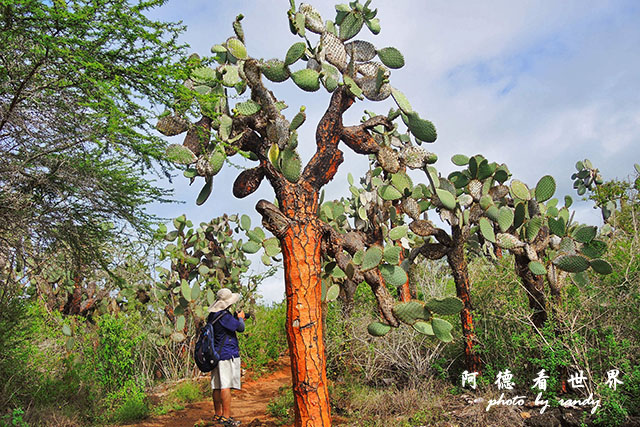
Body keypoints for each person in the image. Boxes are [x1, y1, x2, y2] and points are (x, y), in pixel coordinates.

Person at [208, 288, 245, 427]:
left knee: (216, 386)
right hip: (227, 354)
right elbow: (240, 328)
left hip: (216, 354)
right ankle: (226, 417)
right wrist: (240, 318)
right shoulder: (225, 316)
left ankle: (218, 414)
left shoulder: (212, 315)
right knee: (225, 386)